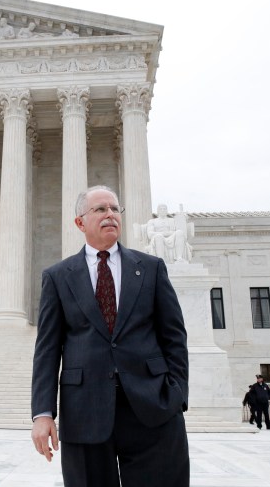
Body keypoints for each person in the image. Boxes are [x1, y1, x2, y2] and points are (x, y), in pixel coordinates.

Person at [31, 185, 190, 487]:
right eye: (100, 209)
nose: (110, 215)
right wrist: (42, 413)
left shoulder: (151, 268)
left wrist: (177, 394)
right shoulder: (58, 276)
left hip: (152, 407)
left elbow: (174, 337)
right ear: (80, 222)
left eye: (115, 209)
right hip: (84, 412)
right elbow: (47, 350)